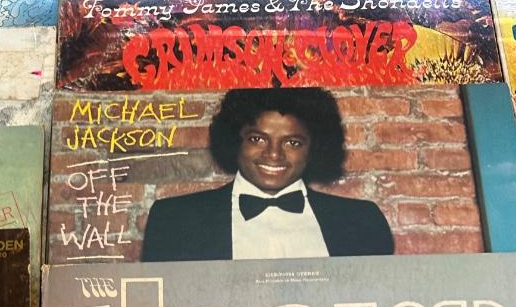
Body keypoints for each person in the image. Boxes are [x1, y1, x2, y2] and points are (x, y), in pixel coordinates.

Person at [141, 88, 395, 262]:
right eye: (257, 139)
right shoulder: (174, 221)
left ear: (314, 148)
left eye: (292, 143)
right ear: (235, 141)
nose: (274, 154)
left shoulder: (362, 221)